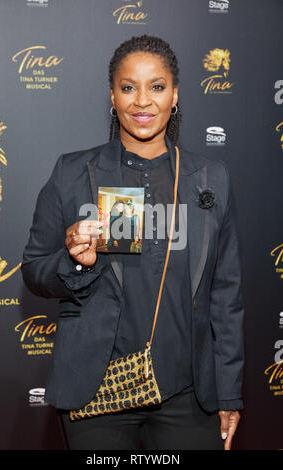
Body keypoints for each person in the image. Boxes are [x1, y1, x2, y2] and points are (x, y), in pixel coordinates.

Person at [21, 34, 245, 451]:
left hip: (188, 395)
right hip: (100, 393)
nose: (142, 101)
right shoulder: (73, 173)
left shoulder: (210, 177)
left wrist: (229, 393)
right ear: (112, 95)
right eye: (128, 87)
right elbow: (34, 269)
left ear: (175, 94)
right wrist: (74, 262)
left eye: (156, 87)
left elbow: (226, 295)